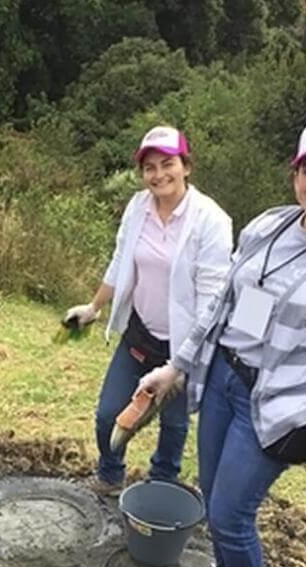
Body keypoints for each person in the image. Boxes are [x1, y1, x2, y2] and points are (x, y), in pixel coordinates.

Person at [137, 117, 306, 567]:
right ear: (295, 174)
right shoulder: (268, 226)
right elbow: (222, 307)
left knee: (232, 514)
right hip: (223, 379)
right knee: (213, 502)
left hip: (280, 408)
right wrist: (178, 366)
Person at [64, 126, 233, 495]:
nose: (158, 175)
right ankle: (110, 476)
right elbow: (121, 262)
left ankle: (161, 488)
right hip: (140, 333)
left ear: (186, 166)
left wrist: (184, 365)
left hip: (182, 346)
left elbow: (212, 300)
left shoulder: (211, 221)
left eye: (167, 164)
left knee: (172, 425)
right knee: (110, 413)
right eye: (150, 167)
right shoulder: (138, 206)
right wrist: (94, 307)